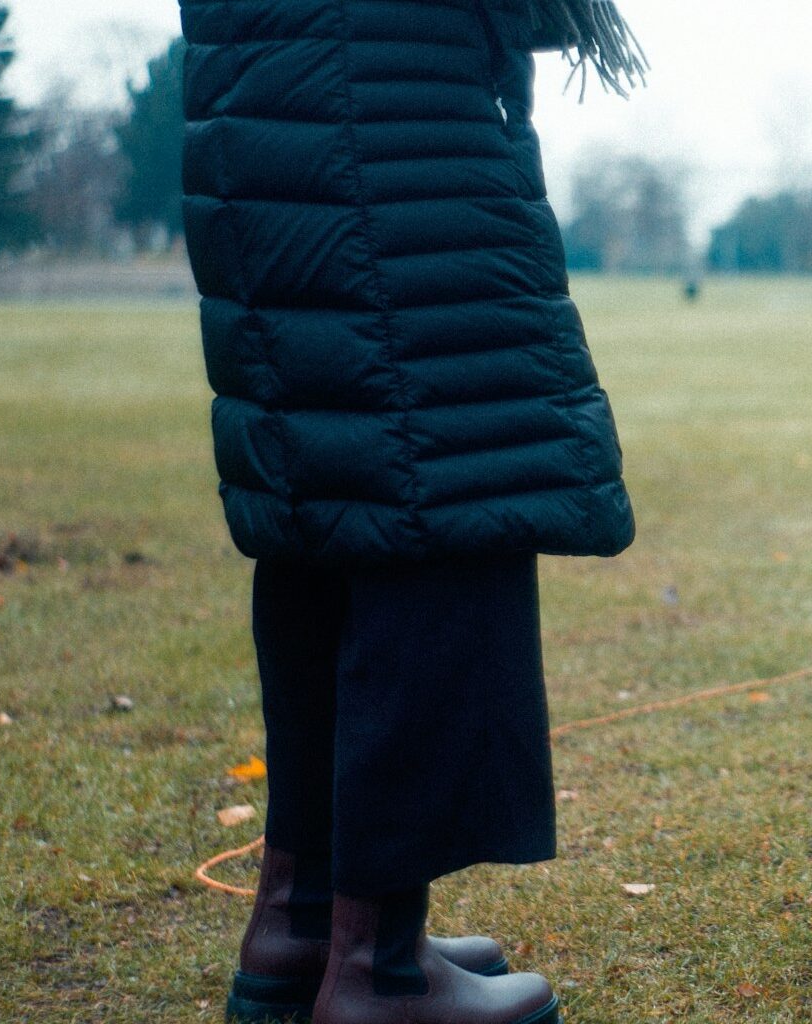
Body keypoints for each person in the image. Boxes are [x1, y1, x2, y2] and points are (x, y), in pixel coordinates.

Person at [177, 2, 645, 1021]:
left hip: (266, 116)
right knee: (445, 497)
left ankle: (304, 924)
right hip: (382, 119)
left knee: (338, 502)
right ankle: (379, 969)